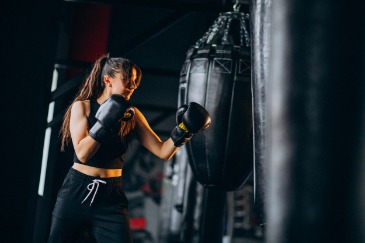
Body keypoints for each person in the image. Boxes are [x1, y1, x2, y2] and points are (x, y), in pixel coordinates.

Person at [47, 54, 211, 243]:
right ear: (108, 80)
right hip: (76, 192)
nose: (132, 86)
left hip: (111, 196)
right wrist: (105, 122)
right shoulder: (82, 107)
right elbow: (82, 154)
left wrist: (185, 129)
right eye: (126, 80)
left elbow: (163, 151)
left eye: (134, 81)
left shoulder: (132, 115)